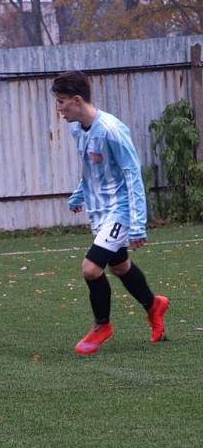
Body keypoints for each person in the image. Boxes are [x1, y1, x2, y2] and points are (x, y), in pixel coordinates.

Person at [52, 71, 169, 354]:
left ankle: (102, 325)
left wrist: (139, 224)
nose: (59, 108)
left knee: (91, 269)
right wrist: (80, 195)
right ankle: (154, 305)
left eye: (62, 102)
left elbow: (133, 177)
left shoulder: (112, 130)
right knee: (120, 267)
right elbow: (90, 168)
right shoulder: (78, 129)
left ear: (77, 100)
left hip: (120, 212)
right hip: (99, 212)